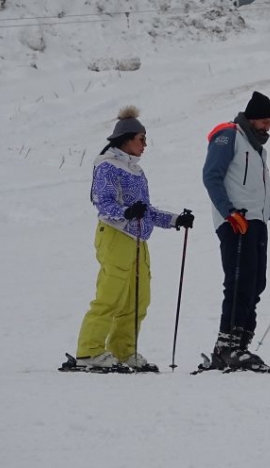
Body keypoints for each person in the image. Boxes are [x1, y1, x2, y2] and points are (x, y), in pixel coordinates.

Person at [76, 106, 195, 371]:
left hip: (139, 239)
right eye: (142, 139)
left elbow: (146, 210)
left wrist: (176, 220)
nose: (145, 145)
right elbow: (102, 202)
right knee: (111, 295)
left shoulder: (137, 171)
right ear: (127, 139)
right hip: (115, 235)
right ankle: (89, 351)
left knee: (138, 299)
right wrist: (127, 212)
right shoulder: (108, 166)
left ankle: (123, 350)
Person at [202, 91, 270, 371]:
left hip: (254, 223)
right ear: (253, 118)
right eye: (266, 121)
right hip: (236, 223)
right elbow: (211, 176)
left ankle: (241, 345)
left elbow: (255, 199)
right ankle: (226, 348)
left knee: (256, 284)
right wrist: (229, 212)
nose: (268, 127)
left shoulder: (258, 149)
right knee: (239, 283)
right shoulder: (230, 136)